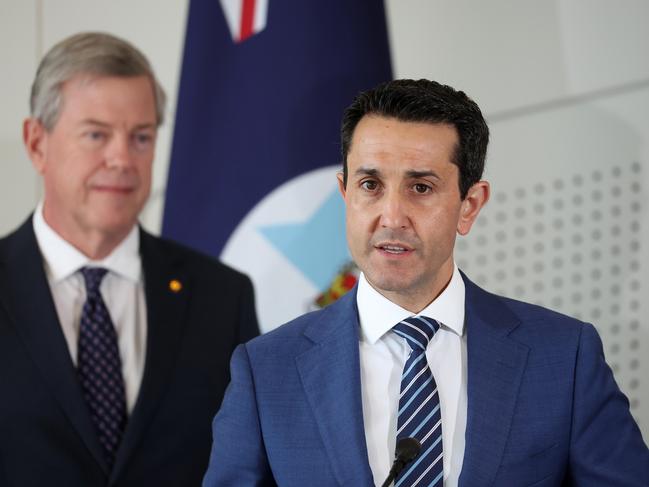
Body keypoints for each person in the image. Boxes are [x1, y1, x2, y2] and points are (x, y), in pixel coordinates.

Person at [203, 79, 649, 486]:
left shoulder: (564, 357)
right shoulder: (266, 373)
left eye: (420, 188)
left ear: (470, 205)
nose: (391, 217)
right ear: (346, 194)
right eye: (370, 184)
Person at [0, 32, 258, 486]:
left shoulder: (222, 297)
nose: (122, 158)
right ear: (37, 144)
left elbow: (248, 468)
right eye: (96, 134)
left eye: (141, 137)